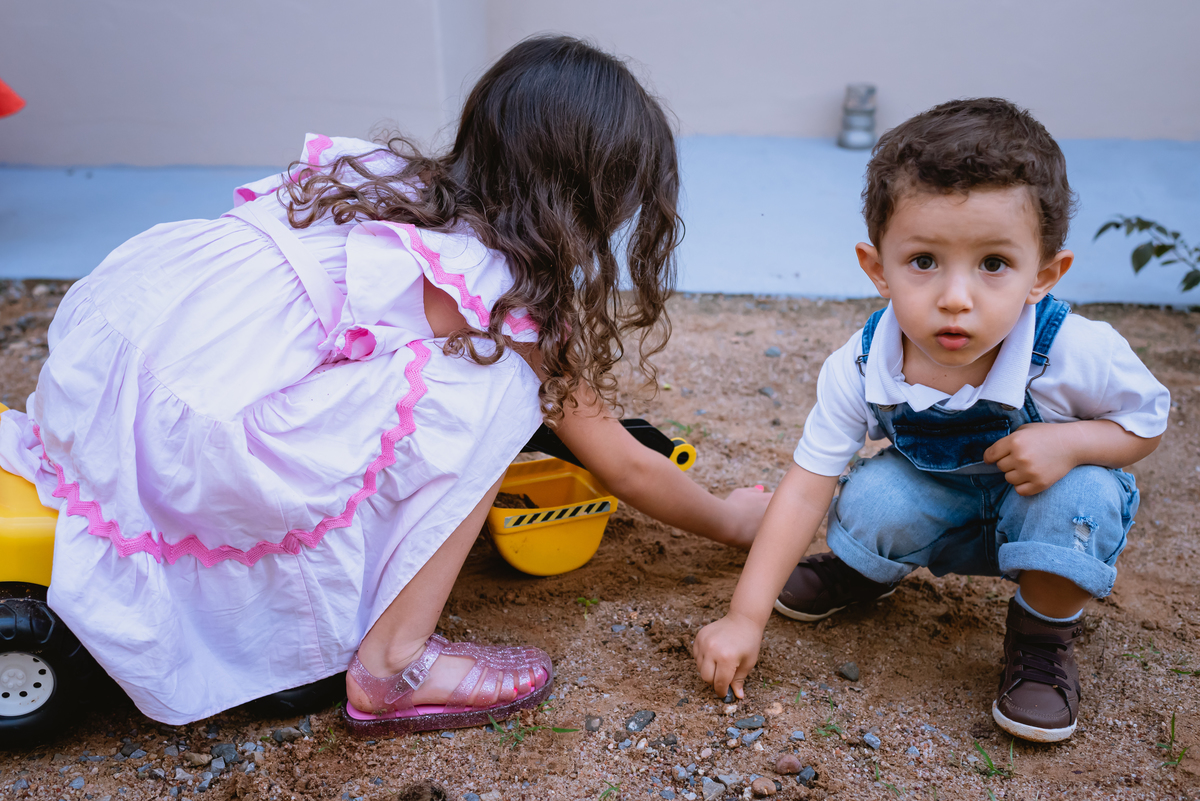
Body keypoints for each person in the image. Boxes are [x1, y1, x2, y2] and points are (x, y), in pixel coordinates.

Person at [0, 36, 769, 733]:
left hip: (103, 374)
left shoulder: (384, 181)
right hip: (190, 441)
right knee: (495, 384)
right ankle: (396, 662)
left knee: (435, 372)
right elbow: (623, 462)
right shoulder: (500, 294)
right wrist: (733, 521)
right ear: (594, 199)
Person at [693, 98, 1169, 743]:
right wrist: (744, 618)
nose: (955, 298)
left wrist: (1075, 441)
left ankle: (1041, 639)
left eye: (994, 264)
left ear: (1044, 274)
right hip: (940, 509)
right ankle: (865, 570)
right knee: (873, 493)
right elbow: (807, 485)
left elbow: (1147, 420)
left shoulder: (1075, 349)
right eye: (923, 261)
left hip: (1042, 511)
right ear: (877, 268)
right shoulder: (863, 363)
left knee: (1084, 493)